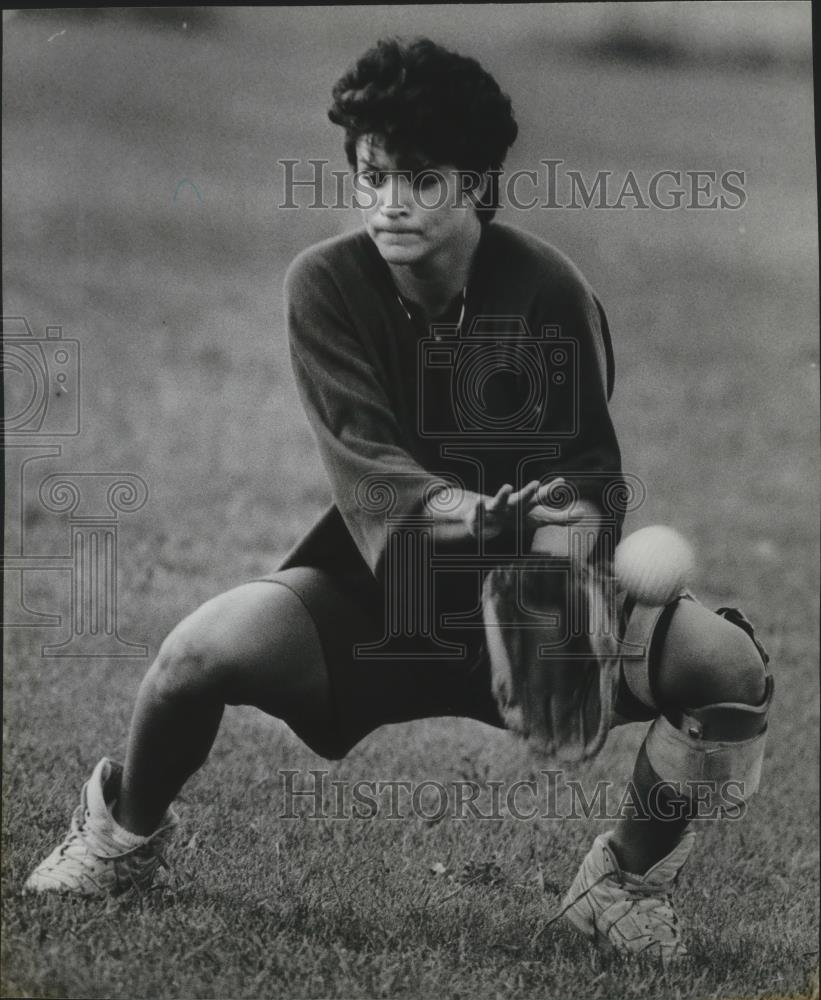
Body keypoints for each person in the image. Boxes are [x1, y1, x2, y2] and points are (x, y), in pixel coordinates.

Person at [26, 37, 772, 964]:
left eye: (420, 180)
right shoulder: (326, 286)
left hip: (535, 597)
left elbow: (586, 479)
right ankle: (119, 839)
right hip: (381, 595)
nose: (390, 204)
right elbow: (373, 477)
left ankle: (619, 884)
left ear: (476, 188)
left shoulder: (547, 289)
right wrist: (483, 516)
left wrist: (564, 567)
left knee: (727, 669)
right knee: (191, 659)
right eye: (372, 175)